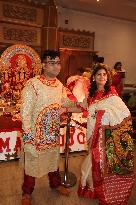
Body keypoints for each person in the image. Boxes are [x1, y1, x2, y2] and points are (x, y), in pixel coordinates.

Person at [77, 63, 135, 205]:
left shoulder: (112, 93)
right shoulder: (91, 95)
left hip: (109, 137)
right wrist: (64, 108)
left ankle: (109, 193)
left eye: (104, 74)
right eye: (99, 74)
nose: (102, 77)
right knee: (95, 163)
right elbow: (82, 107)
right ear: (94, 78)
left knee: (104, 165)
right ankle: (93, 189)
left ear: (107, 77)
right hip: (95, 136)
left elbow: (124, 113)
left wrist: (102, 113)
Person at [20, 50, 70, 205]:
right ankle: (27, 193)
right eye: (52, 63)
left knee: (53, 160)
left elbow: (64, 102)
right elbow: (25, 110)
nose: (57, 66)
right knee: (32, 162)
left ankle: (55, 185)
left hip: (52, 132)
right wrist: (27, 132)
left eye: (58, 63)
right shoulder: (33, 84)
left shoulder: (59, 85)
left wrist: (79, 105)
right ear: (43, 65)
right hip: (35, 133)